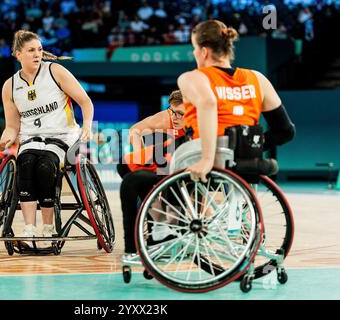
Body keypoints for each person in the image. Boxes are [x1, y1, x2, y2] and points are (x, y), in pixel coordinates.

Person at [0, 30, 94, 238]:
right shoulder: (10, 86)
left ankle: (48, 227)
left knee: (45, 166)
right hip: (31, 139)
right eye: (31, 50)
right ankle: (29, 228)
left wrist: (87, 126)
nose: (37, 54)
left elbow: (85, 102)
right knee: (25, 163)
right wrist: (5, 139)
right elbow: (12, 127)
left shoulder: (55, 71)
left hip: (63, 137)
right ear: (17, 54)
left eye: (39, 49)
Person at [177, 20, 295, 183]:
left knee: (138, 180)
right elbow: (285, 131)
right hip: (245, 160)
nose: (194, 53)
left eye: (194, 48)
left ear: (204, 52)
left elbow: (208, 103)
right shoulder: (257, 79)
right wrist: (250, 147)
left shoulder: (194, 77)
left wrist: (207, 158)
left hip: (201, 155)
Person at [119, 90, 186, 257]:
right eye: (173, 112)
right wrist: (142, 155)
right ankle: (158, 223)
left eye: (180, 114)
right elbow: (134, 130)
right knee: (127, 167)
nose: (175, 118)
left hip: (183, 159)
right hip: (164, 157)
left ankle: (170, 229)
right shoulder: (164, 119)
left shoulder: (201, 120)